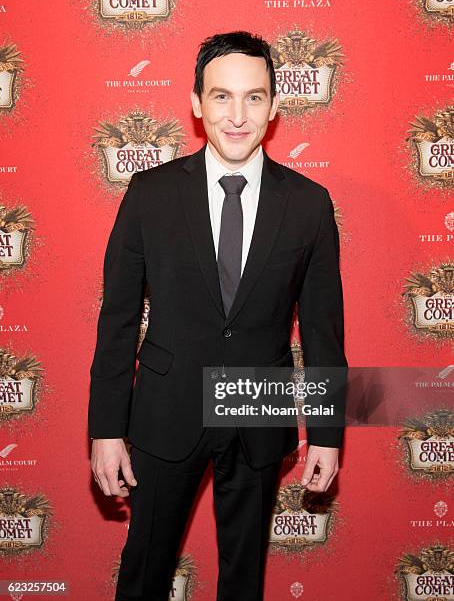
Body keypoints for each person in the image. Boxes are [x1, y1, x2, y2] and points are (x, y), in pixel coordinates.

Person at [88, 30, 348, 601]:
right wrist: (106, 429)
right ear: (196, 103)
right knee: (143, 576)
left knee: (243, 580)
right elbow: (118, 321)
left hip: (258, 410)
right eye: (221, 96)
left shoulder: (308, 204)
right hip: (165, 411)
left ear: (275, 106)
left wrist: (327, 435)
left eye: (253, 97)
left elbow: (325, 335)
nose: (237, 115)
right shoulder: (149, 194)